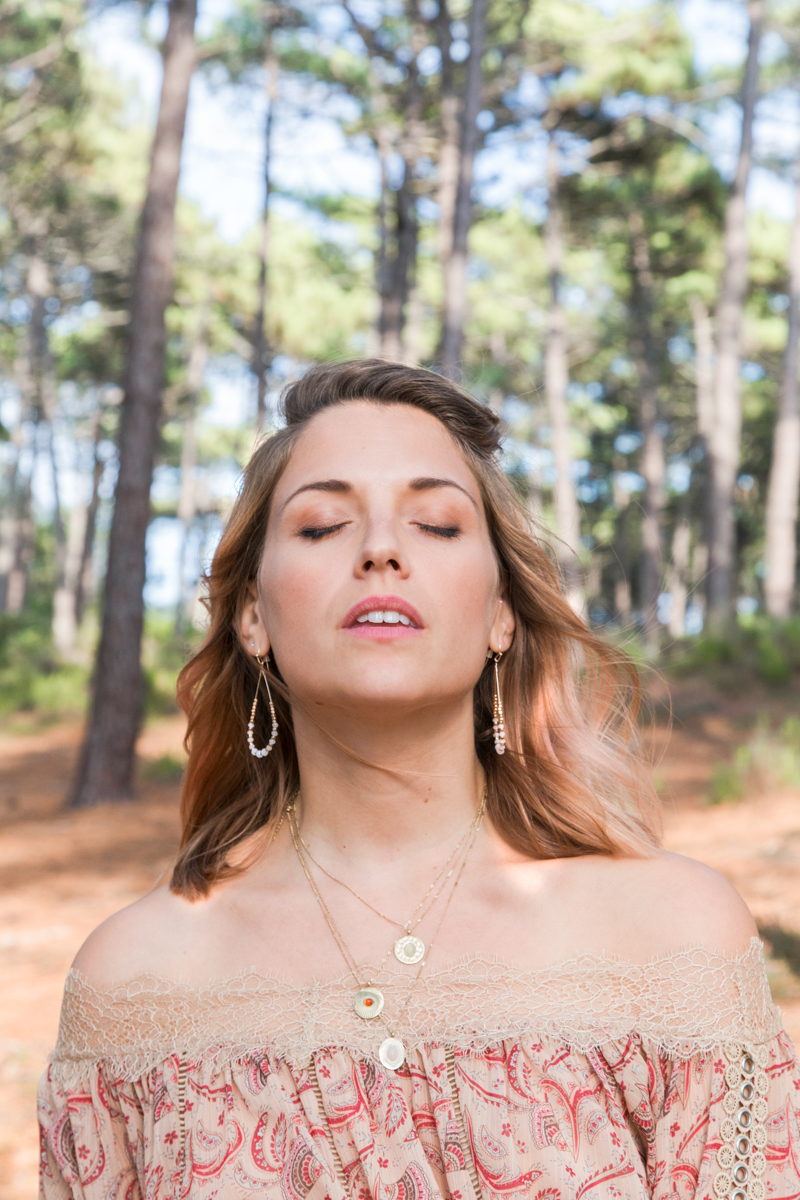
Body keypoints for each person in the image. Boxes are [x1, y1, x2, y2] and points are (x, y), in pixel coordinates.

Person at [38, 360, 798, 1200]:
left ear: (501, 613)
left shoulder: (675, 941)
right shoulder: (131, 983)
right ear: (252, 616)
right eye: (323, 526)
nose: (381, 550)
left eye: (436, 524)